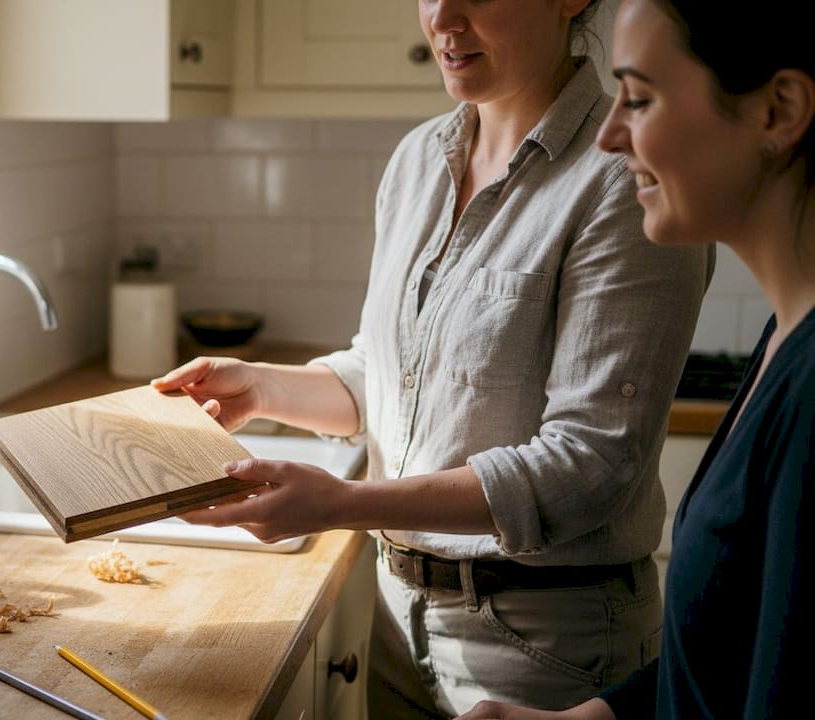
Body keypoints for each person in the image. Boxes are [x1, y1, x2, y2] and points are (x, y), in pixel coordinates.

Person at [152, 0, 715, 716]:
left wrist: (342, 505)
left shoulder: (622, 180)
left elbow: (590, 465)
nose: (442, 17)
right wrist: (259, 387)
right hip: (397, 618)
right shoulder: (419, 159)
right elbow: (390, 380)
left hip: (546, 645)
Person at [453, 0, 815, 718]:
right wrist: (587, 717)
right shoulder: (784, 338)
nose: (611, 135)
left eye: (640, 99)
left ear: (778, 111)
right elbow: (724, 654)